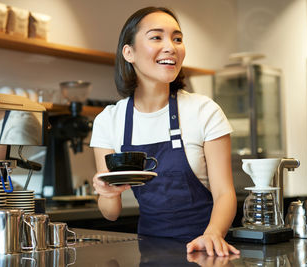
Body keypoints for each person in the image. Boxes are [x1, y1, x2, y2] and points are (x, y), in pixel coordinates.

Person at [90, 6, 240, 257]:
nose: (171, 47)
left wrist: (214, 232)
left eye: (177, 38)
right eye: (156, 37)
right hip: (150, 252)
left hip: (207, 250)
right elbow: (111, 213)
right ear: (129, 52)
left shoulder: (204, 111)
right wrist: (107, 193)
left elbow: (225, 193)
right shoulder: (109, 120)